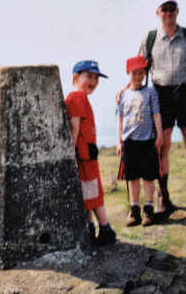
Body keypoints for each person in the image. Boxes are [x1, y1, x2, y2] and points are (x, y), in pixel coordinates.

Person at [138, 0, 186, 218]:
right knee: (162, 147)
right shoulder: (150, 39)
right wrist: (131, 92)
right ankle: (164, 197)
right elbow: (139, 70)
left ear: (177, 12)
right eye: (164, 10)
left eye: (172, 10)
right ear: (157, 13)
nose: (168, 14)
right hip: (161, 95)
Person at [65, 60, 117, 246]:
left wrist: (69, 150)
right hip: (86, 154)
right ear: (75, 78)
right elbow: (76, 125)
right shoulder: (79, 98)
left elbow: (74, 126)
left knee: (91, 194)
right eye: (89, 76)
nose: (93, 81)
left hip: (85, 156)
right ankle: (94, 228)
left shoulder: (77, 97)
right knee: (89, 194)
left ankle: (104, 229)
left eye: (96, 78)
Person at [116, 56, 163, 227]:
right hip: (129, 142)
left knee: (149, 177)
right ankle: (134, 209)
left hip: (147, 141)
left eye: (141, 72)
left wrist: (160, 135)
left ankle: (148, 209)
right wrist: (119, 141)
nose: (138, 76)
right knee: (132, 178)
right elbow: (121, 118)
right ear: (128, 73)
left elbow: (156, 114)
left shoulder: (150, 92)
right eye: (135, 72)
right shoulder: (123, 95)